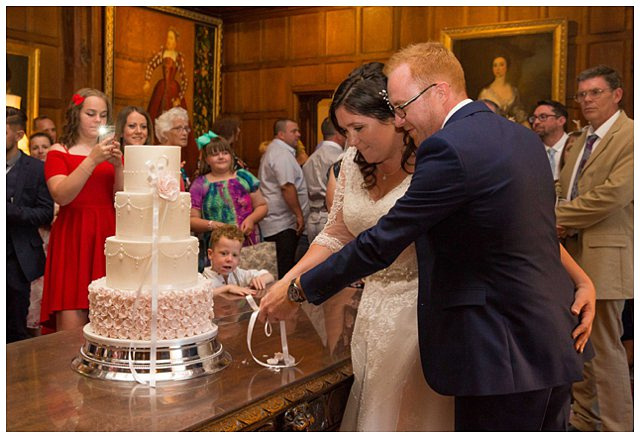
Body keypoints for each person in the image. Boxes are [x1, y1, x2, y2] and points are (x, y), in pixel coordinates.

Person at [261, 43, 595, 431]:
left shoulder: (448, 147)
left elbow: (381, 242)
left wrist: (299, 290)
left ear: (439, 91)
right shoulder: (520, 137)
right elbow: (517, 230)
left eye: (402, 106)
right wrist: (581, 280)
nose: (400, 120)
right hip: (545, 339)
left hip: (498, 351)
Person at [556, 65, 633, 432]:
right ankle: (585, 422)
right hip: (571, 256)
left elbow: (613, 195)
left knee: (604, 348)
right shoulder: (579, 139)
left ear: (617, 94)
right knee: (580, 347)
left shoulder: (631, 136)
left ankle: (619, 426)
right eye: (582, 94)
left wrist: (558, 217)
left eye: (595, 92)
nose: (586, 100)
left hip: (604, 256)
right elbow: (565, 188)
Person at [40, 88, 123, 332]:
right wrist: (92, 160)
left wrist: (118, 166)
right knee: (71, 324)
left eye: (103, 115)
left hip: (107, 235)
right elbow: (62, 194)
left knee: (110, 321)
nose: (98, 120)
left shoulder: (110, 152)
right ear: (76, 114)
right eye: (91, 113)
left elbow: (120, 199)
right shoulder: (59, 151)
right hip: (74, 236)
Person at [6, 107, 54, 342]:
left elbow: (45, 213)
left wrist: (12, 212)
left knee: (15, 328)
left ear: (19, 135)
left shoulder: (36, 169)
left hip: (18, 259)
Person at [190, 132, 267, 271]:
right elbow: (192, 220)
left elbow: (262, 206)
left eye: (225, 153)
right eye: (215, 154)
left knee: (251, 281)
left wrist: (251, 219)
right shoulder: (200, 184)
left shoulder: (244, 177)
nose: (221, 157)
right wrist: (213, 225)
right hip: (217, 248)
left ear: (231, 156)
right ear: (207, 159)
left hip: (248, 244)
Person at [258, 119, 309, 277]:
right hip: (281, 224)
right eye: (293, 131)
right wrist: (298, 214)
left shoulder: (278, 151)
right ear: (281, 134)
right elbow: (287, 186)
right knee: (283, 270)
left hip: (279, 221)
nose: (298, 135)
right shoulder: (281, 154)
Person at [27, 131, 56, 336]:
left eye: (44, 146)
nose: (40, 151)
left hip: (55, 237)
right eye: (35, 147)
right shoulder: (30, 173)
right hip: (37, 236)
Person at [302, 117, 346, 243]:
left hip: (312, 218)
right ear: (338, 135)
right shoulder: (340, 158)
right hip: (331, 217)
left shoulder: (310, 158)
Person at [202, 224, 274, 296]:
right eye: (223, 253)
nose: (229, 259)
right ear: (210, 254)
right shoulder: (203, 278)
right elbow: (200, 296)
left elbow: (269, 276)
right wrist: (227, 288)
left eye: (234, 255)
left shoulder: (237, 273)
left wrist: (261, 280)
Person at [143, 27, 188, 137]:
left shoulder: (178, 57)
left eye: (171, 38)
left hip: (173, 91)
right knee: (155, 114)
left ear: (175, 42)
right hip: (161, 89)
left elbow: (185, 80)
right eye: (168, 37)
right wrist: (147, 80)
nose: (168, 40)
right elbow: (151, 65)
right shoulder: (162, 53)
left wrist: (179, 98)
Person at [478, 55, 528, 125]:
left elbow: (520, 116)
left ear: (507, 67)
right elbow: (480, 118)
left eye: (501, 65)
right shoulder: (485, 93)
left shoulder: (514, 91)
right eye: (495, 65)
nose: (498, 68)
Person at [529, 100, 569, 180]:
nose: (536, 122)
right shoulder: (530, 151)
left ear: (561, 121)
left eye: (543, 117)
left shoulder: (576, 148)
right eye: (534, 118)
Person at [155, 107, 190, 189]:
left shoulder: (176, 156)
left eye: (186, 128)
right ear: (165, 132)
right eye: (178, 128)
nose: (185, 133)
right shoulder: (159, 158)